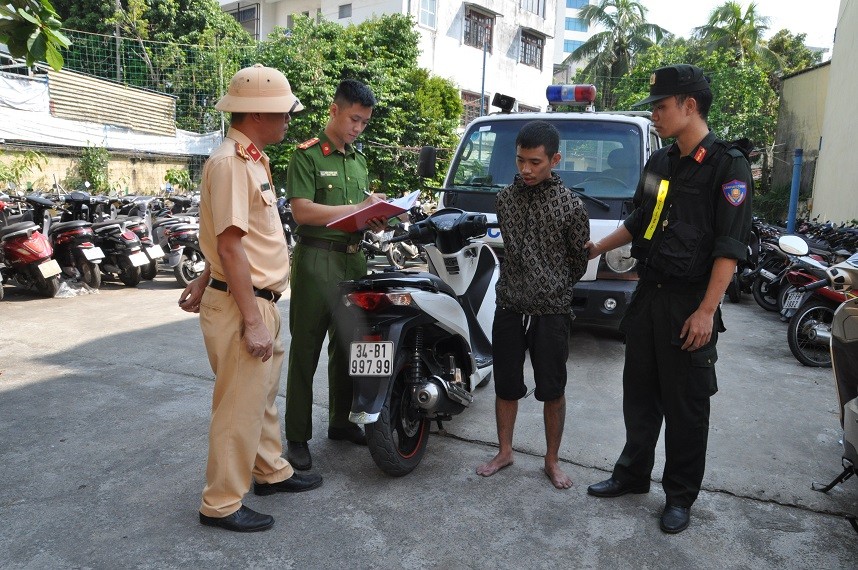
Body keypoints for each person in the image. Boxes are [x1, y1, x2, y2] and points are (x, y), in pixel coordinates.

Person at [585, 64, 753, 534]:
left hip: (689, 304)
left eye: (661, 106)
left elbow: (729, 246)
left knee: (686, 406)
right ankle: (633, 474)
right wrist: (596, 247)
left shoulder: (728, 165)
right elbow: (642, 217)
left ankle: (679, 496)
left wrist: (706, 311)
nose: (655, 115)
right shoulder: (660, 162)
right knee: (639, 396)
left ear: (690, 106)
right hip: (649, 297)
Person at [178, 64, 322, 533]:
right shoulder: (230, 163)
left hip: (257, 298)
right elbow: (230, 246)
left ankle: (270, 471)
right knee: (238, 407)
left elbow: (227, 239)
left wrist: (204, 279)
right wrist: (253, 320)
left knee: (260, 399)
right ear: (260, 112)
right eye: (284, 113)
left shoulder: (251, 158)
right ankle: (220, 503)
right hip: (246, 304)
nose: (288, 121)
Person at [476, 120, 590, 489]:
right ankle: (504, 451)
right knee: (506, 386)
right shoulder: (505, 199)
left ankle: (552, 460)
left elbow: (578, 260)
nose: (525, 169)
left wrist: (552, 286)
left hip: (552, 311)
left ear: (555, 159)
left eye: (535, 162)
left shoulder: (571, 205)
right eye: (521, 160)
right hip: (510, 304)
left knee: (552, 390)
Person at [284, 79, 388, 470]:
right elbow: (304, 212)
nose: (357, 128)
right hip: (316, 261)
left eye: (364, 123)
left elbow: (358, 215)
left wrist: (374, 218)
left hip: (353, 260)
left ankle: (342, 422)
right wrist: (356, 208)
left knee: (351, 347)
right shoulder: (307, 156)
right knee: (306, 349)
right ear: (334, 110)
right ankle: (297, 436)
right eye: (354, 119)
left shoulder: (358, 161)